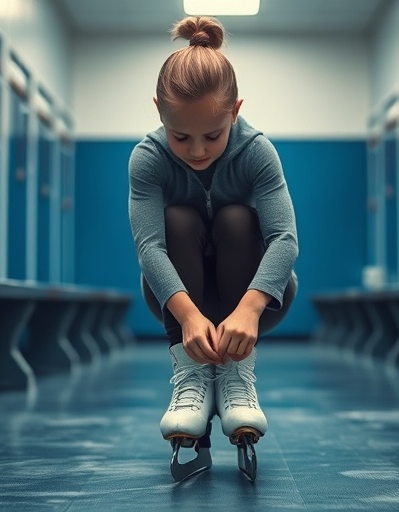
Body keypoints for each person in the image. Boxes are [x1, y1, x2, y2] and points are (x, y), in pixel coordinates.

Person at [128, 15, 298, 481]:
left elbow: (285, 239)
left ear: (235, 111)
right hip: (177, 300)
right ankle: (190, 375)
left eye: (213, 135)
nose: (198, 151)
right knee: (177, 218)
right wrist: (186, 317)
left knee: (237, 217)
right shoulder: (147, 158)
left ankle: (238, 376)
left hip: (255, 300)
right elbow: (149, 246)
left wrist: (249, 310)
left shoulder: (257, 152)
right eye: (181, 136)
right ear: (159, 110)